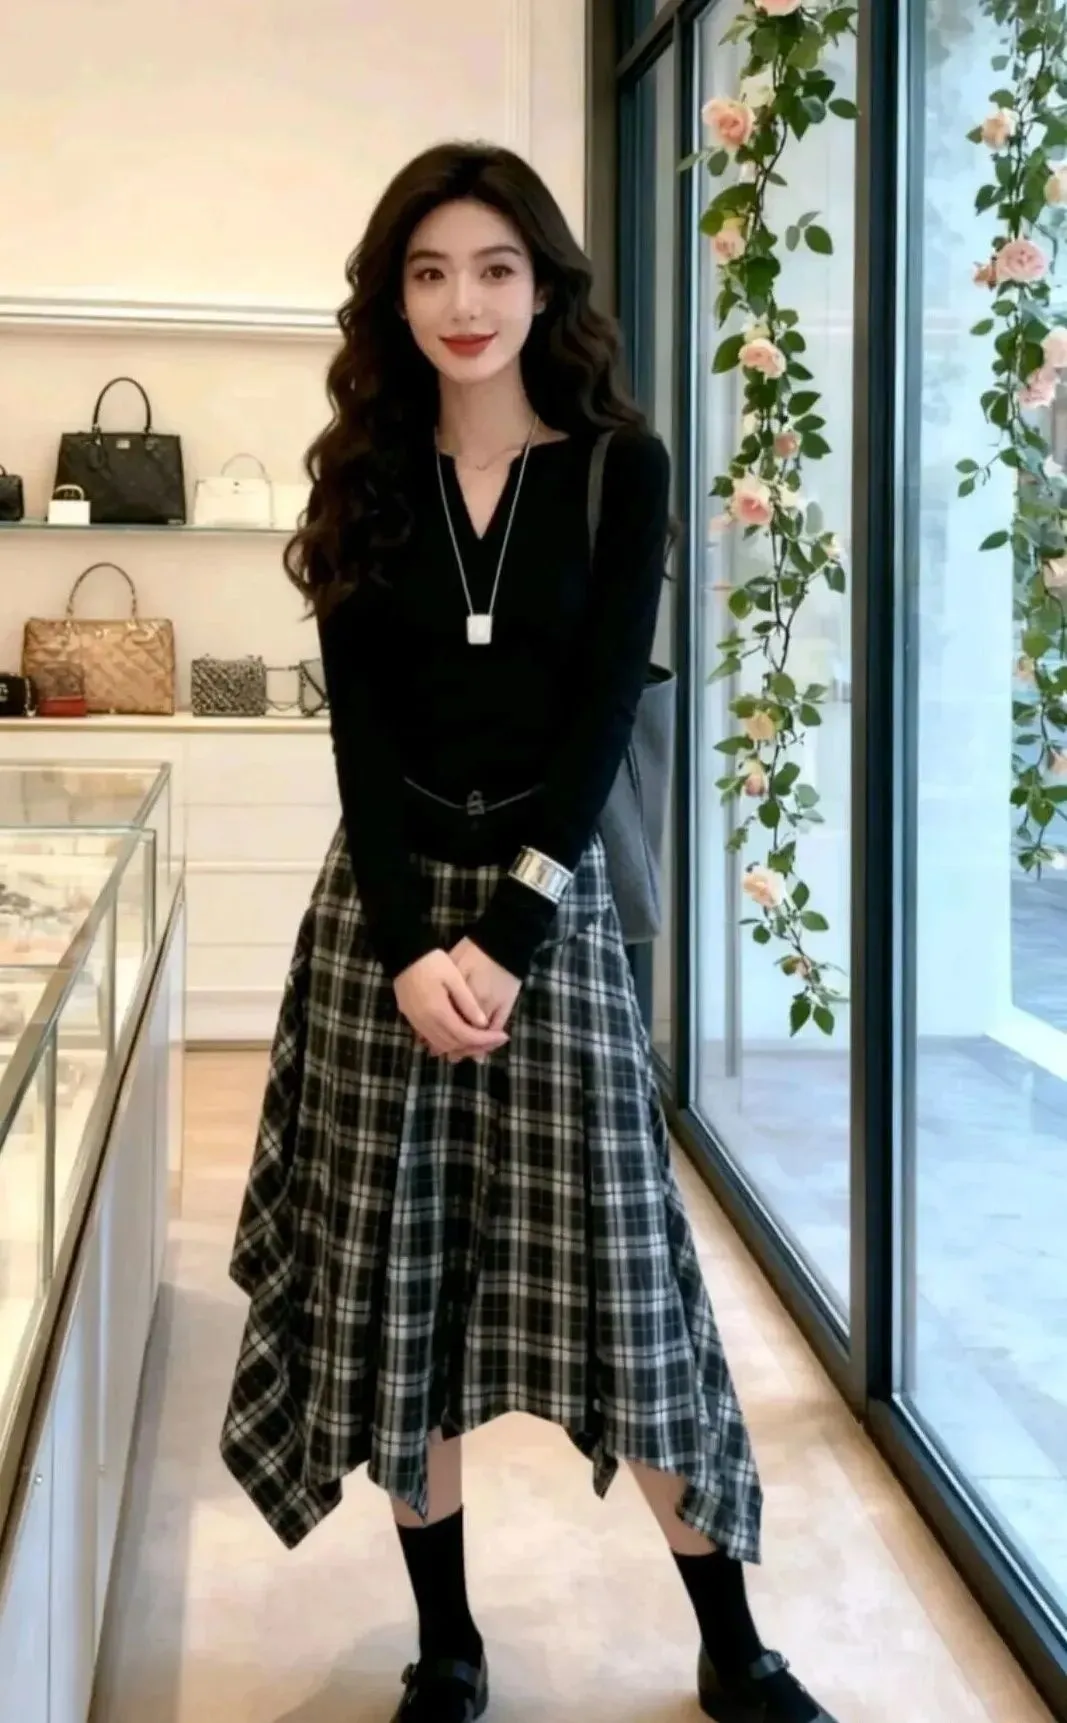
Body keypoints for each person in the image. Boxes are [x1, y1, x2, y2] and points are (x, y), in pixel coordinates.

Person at [219, 141, 837, 1723]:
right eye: (427, 271)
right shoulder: (362, 473)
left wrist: (504, 932)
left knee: (629, 1285)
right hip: (384, 931)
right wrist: (406, 951)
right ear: (390, 297)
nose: (463, 301)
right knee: (401, 1294)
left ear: (544, 284)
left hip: (544, 922)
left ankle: (734, 1645)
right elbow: (358, 740)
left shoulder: (621, 467)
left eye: (494, 267)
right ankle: (447, 1643)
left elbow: (597, 723)